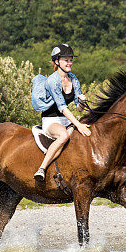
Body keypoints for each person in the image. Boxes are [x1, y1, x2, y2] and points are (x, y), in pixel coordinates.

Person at [34, 43, 91, 181]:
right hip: (51, 121)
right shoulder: (53, 81)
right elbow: (62, 107)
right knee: (64, 135)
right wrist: (78, 125)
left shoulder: (73, 78)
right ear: (56, 61)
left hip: (65, 120)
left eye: (71, 60)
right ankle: (42, 168)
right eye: (66, 60)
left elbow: (78, 108)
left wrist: (82, 102)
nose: (69, 62)